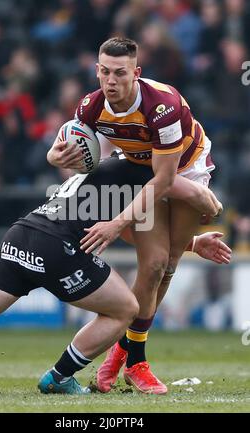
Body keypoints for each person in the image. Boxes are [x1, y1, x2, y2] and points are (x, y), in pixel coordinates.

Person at [0, 156, 230, 396]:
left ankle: (62, 376)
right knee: (127, 309)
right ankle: (59, 377)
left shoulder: (105, 165)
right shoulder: (144, 167)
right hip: (58, 248)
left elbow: (129, 231)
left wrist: (192, 244)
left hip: (23, 235)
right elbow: (196, 195)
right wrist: (215, 206)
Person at [47, 37, 225, 394]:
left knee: (168, 261)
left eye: (120, 73)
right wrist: (55, 157)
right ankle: (137, 362)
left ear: (136, 73)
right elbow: (67, 148)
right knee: (156, 262)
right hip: (144, 171)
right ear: (97, 71)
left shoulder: (163, 106)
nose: (111, 81)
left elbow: (164, 180)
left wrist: (118, 222)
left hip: (183, 170)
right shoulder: (91, 107)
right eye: (104, 72)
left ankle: (121, 354)